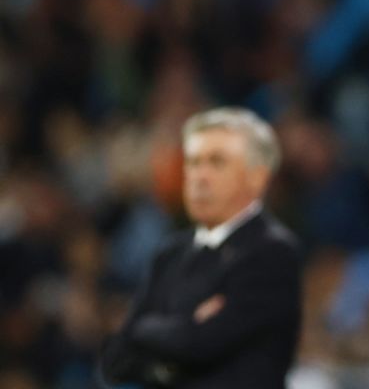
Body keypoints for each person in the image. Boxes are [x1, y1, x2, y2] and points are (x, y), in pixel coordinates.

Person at [99, 108, 302, 388]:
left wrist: (146, 329)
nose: (199, 176)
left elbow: (200, 345)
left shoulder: (272, 253)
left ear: (256, 177)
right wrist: (184, 328)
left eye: (217, 163)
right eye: (193, 163)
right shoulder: (171, 254)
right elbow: (115, 362)